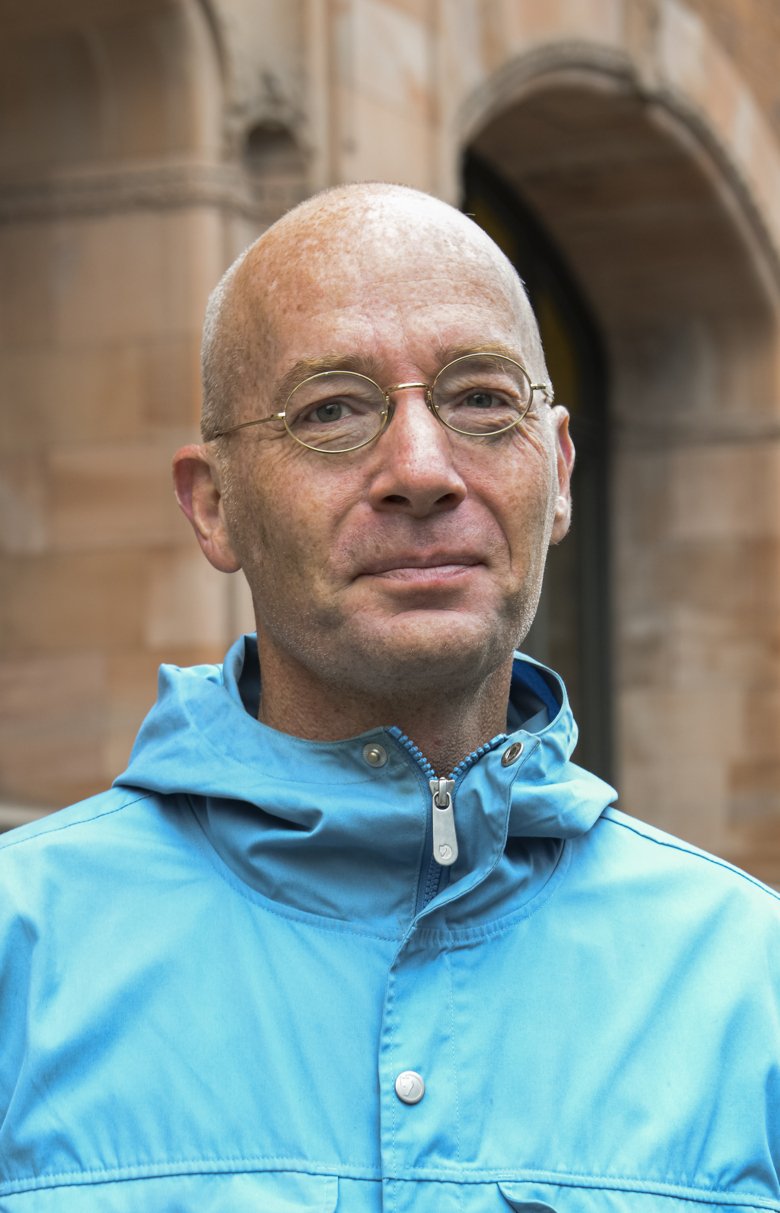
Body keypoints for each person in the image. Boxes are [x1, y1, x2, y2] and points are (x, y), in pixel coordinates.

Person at [0, 184, 778, 1213]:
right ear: (215, 506)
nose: (421, 469)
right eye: (332, 410)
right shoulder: (25, 952)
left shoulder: (748, 983)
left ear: (559, 473)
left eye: (481, 399)